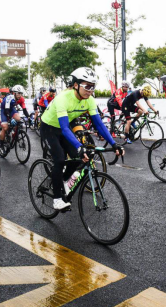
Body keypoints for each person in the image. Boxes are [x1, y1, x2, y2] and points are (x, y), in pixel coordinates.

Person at [41, 68, 123, 210]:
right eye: (87, 86)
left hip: (64, 128)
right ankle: (57, 198)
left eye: (93, 86)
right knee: (59, 159)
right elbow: (65, 128)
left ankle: (63, 182)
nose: (90, 90)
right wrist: (79, 146)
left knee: (78, 159)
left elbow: (99, 124)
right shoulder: (63, 98)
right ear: (76, 85)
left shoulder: (89, 100)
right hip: (49, 127)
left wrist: (114, 144)